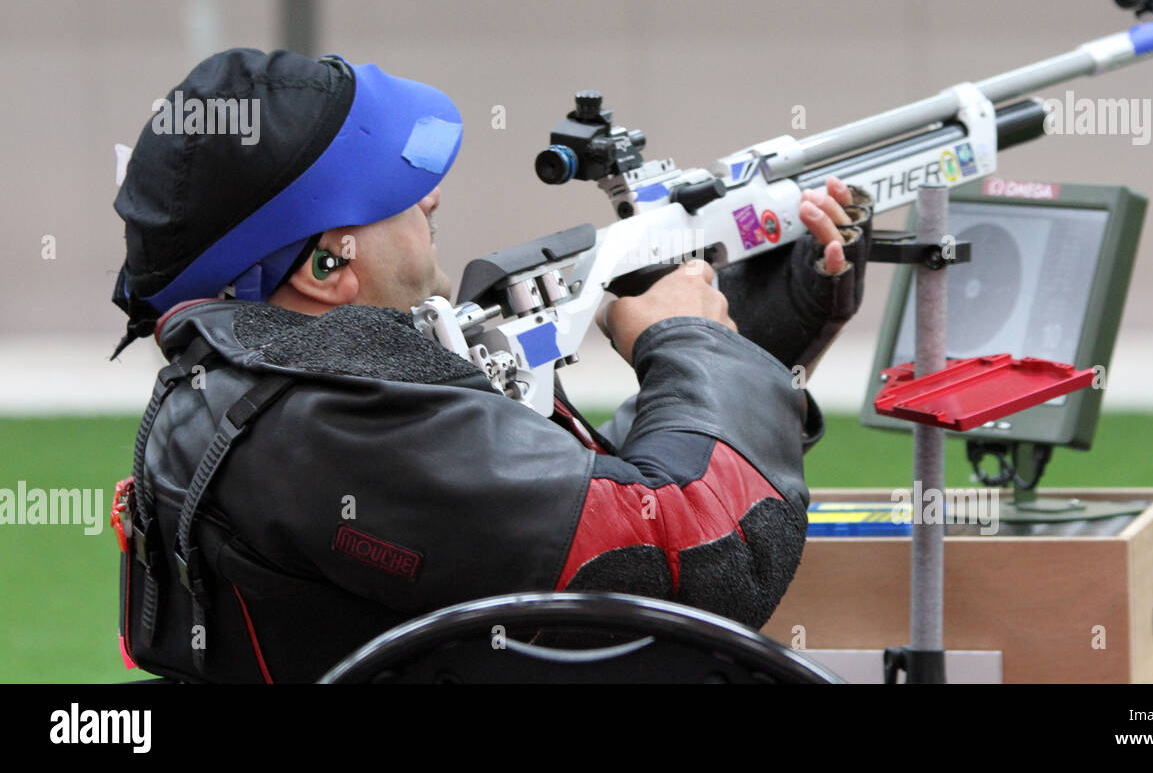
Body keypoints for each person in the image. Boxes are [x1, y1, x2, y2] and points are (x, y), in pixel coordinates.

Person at [110, 48, 872, 683]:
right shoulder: (333, 419)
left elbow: (579, 509)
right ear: (325, 263)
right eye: (401, 189)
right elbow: (693, 558)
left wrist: (760, 325)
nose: (432, 199)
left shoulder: (262, 387)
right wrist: (693, 342)